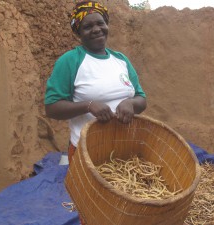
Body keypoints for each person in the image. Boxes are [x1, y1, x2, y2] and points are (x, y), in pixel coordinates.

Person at [44, 1, 146, 224]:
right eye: (87, 27)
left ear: (107, 24)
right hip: (87, 152)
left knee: (127, 210)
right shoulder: (70, 61)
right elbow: (51, 107)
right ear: (78, 32)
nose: (96, 29)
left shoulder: (121, 60)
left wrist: (131, 103)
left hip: (125, 152)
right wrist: (87, 105)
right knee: (94, 212)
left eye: (100, 23)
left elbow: (141, 98)